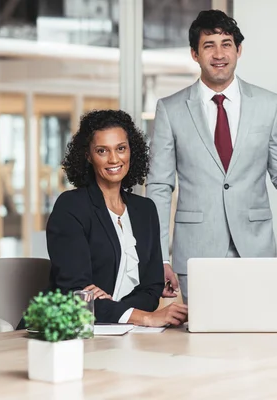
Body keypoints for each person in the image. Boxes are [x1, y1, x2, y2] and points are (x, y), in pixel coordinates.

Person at [146, 10, 277, 302]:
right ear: (195, 54)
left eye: (226, 43)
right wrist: (159, 258)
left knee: (256, 339)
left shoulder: (269, 105)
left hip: (255, 250)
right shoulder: (170, 109)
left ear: (239, 50)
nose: (219, 53)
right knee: (199, 340)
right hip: (196, 252)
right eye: (208, 45)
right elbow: (159, 186)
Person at [46, 110, 187, 327]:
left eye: (121, 148)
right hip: (67, 331)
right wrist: (144, 317)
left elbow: (151, 289)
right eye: (102, 151)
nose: (114, 159)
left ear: (132, 150)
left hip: (123, 332)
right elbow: (76, 296)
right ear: (88, 155)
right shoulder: (71, 207)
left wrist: (115, 310)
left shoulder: (145, 210)